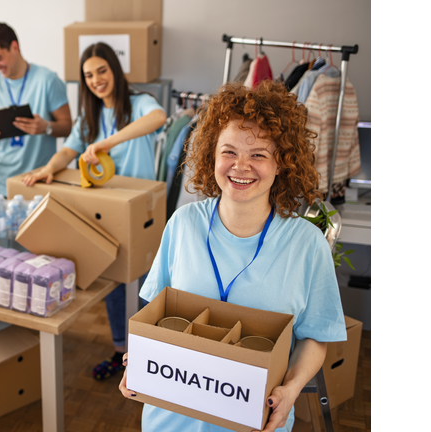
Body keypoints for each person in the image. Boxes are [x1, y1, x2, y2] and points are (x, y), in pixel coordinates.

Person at [118, 80, 347, 432]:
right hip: (170, 420)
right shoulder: (182, 224)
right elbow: (153, 316)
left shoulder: (306, 245)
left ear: (282, 163)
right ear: (212, 154)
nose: (241, 166)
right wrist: (138, 360)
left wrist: (292, 388)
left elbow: (316, 336)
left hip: (252, 422)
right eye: (229, 152)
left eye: (258, 155)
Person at [23, 42, 167, 380]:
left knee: (146, 285)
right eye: (88, 75)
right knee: (116, 283)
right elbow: (68, 150)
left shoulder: (139, 103)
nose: (96, 79)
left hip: (140, 212)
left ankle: (151, 360)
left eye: (102, 70)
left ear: (114, 70)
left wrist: (108, 142)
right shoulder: (89, 115)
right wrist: (49, 167)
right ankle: (122, 352)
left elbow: (159, 117)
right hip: (106, 210)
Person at [0, 23, 72, 196]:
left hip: (38, 180)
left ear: (14, 47)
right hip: (0, 184)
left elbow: (67, 127)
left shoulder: (47, 80)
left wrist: (46, 128)